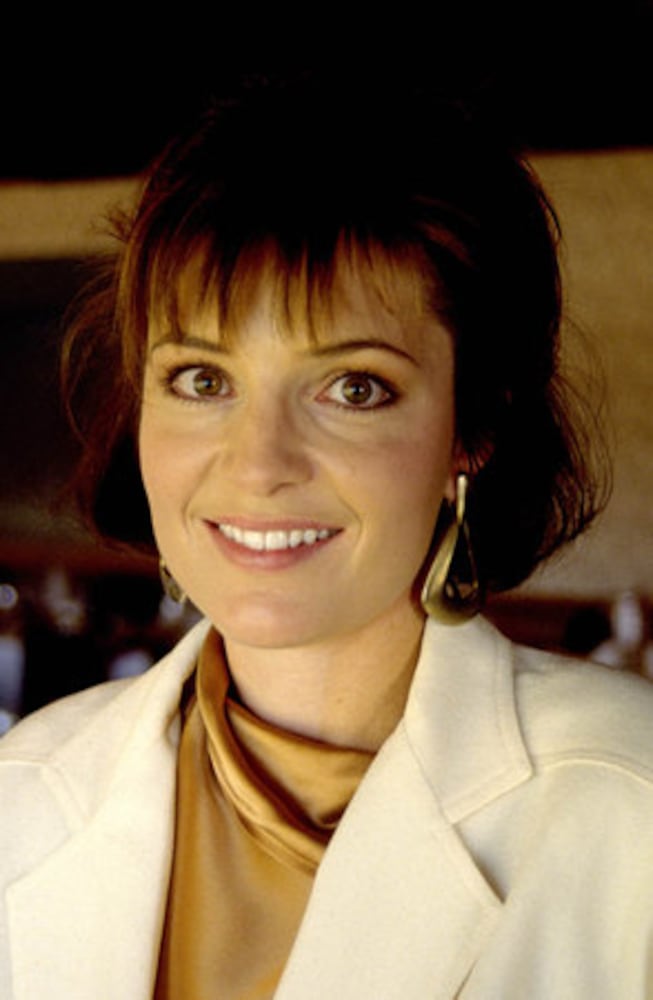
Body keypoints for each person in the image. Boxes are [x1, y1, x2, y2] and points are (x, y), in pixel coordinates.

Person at [1, 78, 652, 999]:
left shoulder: (630, 807)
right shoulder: (21, 796)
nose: (258, 464)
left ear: (471, 430)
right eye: (201, 380)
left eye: (353, 389)